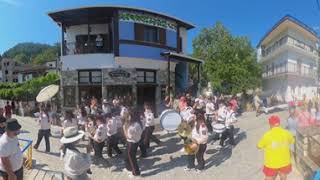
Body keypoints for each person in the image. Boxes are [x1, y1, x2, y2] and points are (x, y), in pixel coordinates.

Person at [257, 115, 295, 180]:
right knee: (283, 175)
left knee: (269, 178)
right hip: (285, 161)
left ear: (270, 124)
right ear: (279, 124)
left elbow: (258, 146)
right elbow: (292, 141)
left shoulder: (267, 135)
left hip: (271, 163)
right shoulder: (286, 133)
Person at [123, 110, 143, 178]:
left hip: (132, 143)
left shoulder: (133, 126)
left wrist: (124, 129)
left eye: (128, 116)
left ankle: (136, 173)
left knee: (132, 158)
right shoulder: (136, 123)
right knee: (126, 156)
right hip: (132, 142)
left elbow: (128, 136)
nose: (127, 117)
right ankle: (128, 168)